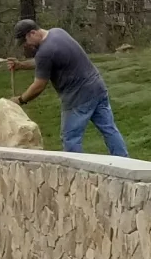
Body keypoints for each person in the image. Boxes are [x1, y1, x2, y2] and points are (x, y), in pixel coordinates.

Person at [10, 18, 128, 156]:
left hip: (78, 97)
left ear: (32, 33)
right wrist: (21, 65)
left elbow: (39, 85)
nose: (26, 45)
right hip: (97, 87)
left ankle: (76, 173)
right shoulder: (57, 33)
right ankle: (124, 160)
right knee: (109, 129)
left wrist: (20, 100)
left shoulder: (45, 52)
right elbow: (45, 63)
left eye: (25, 41)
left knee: (71, 138)